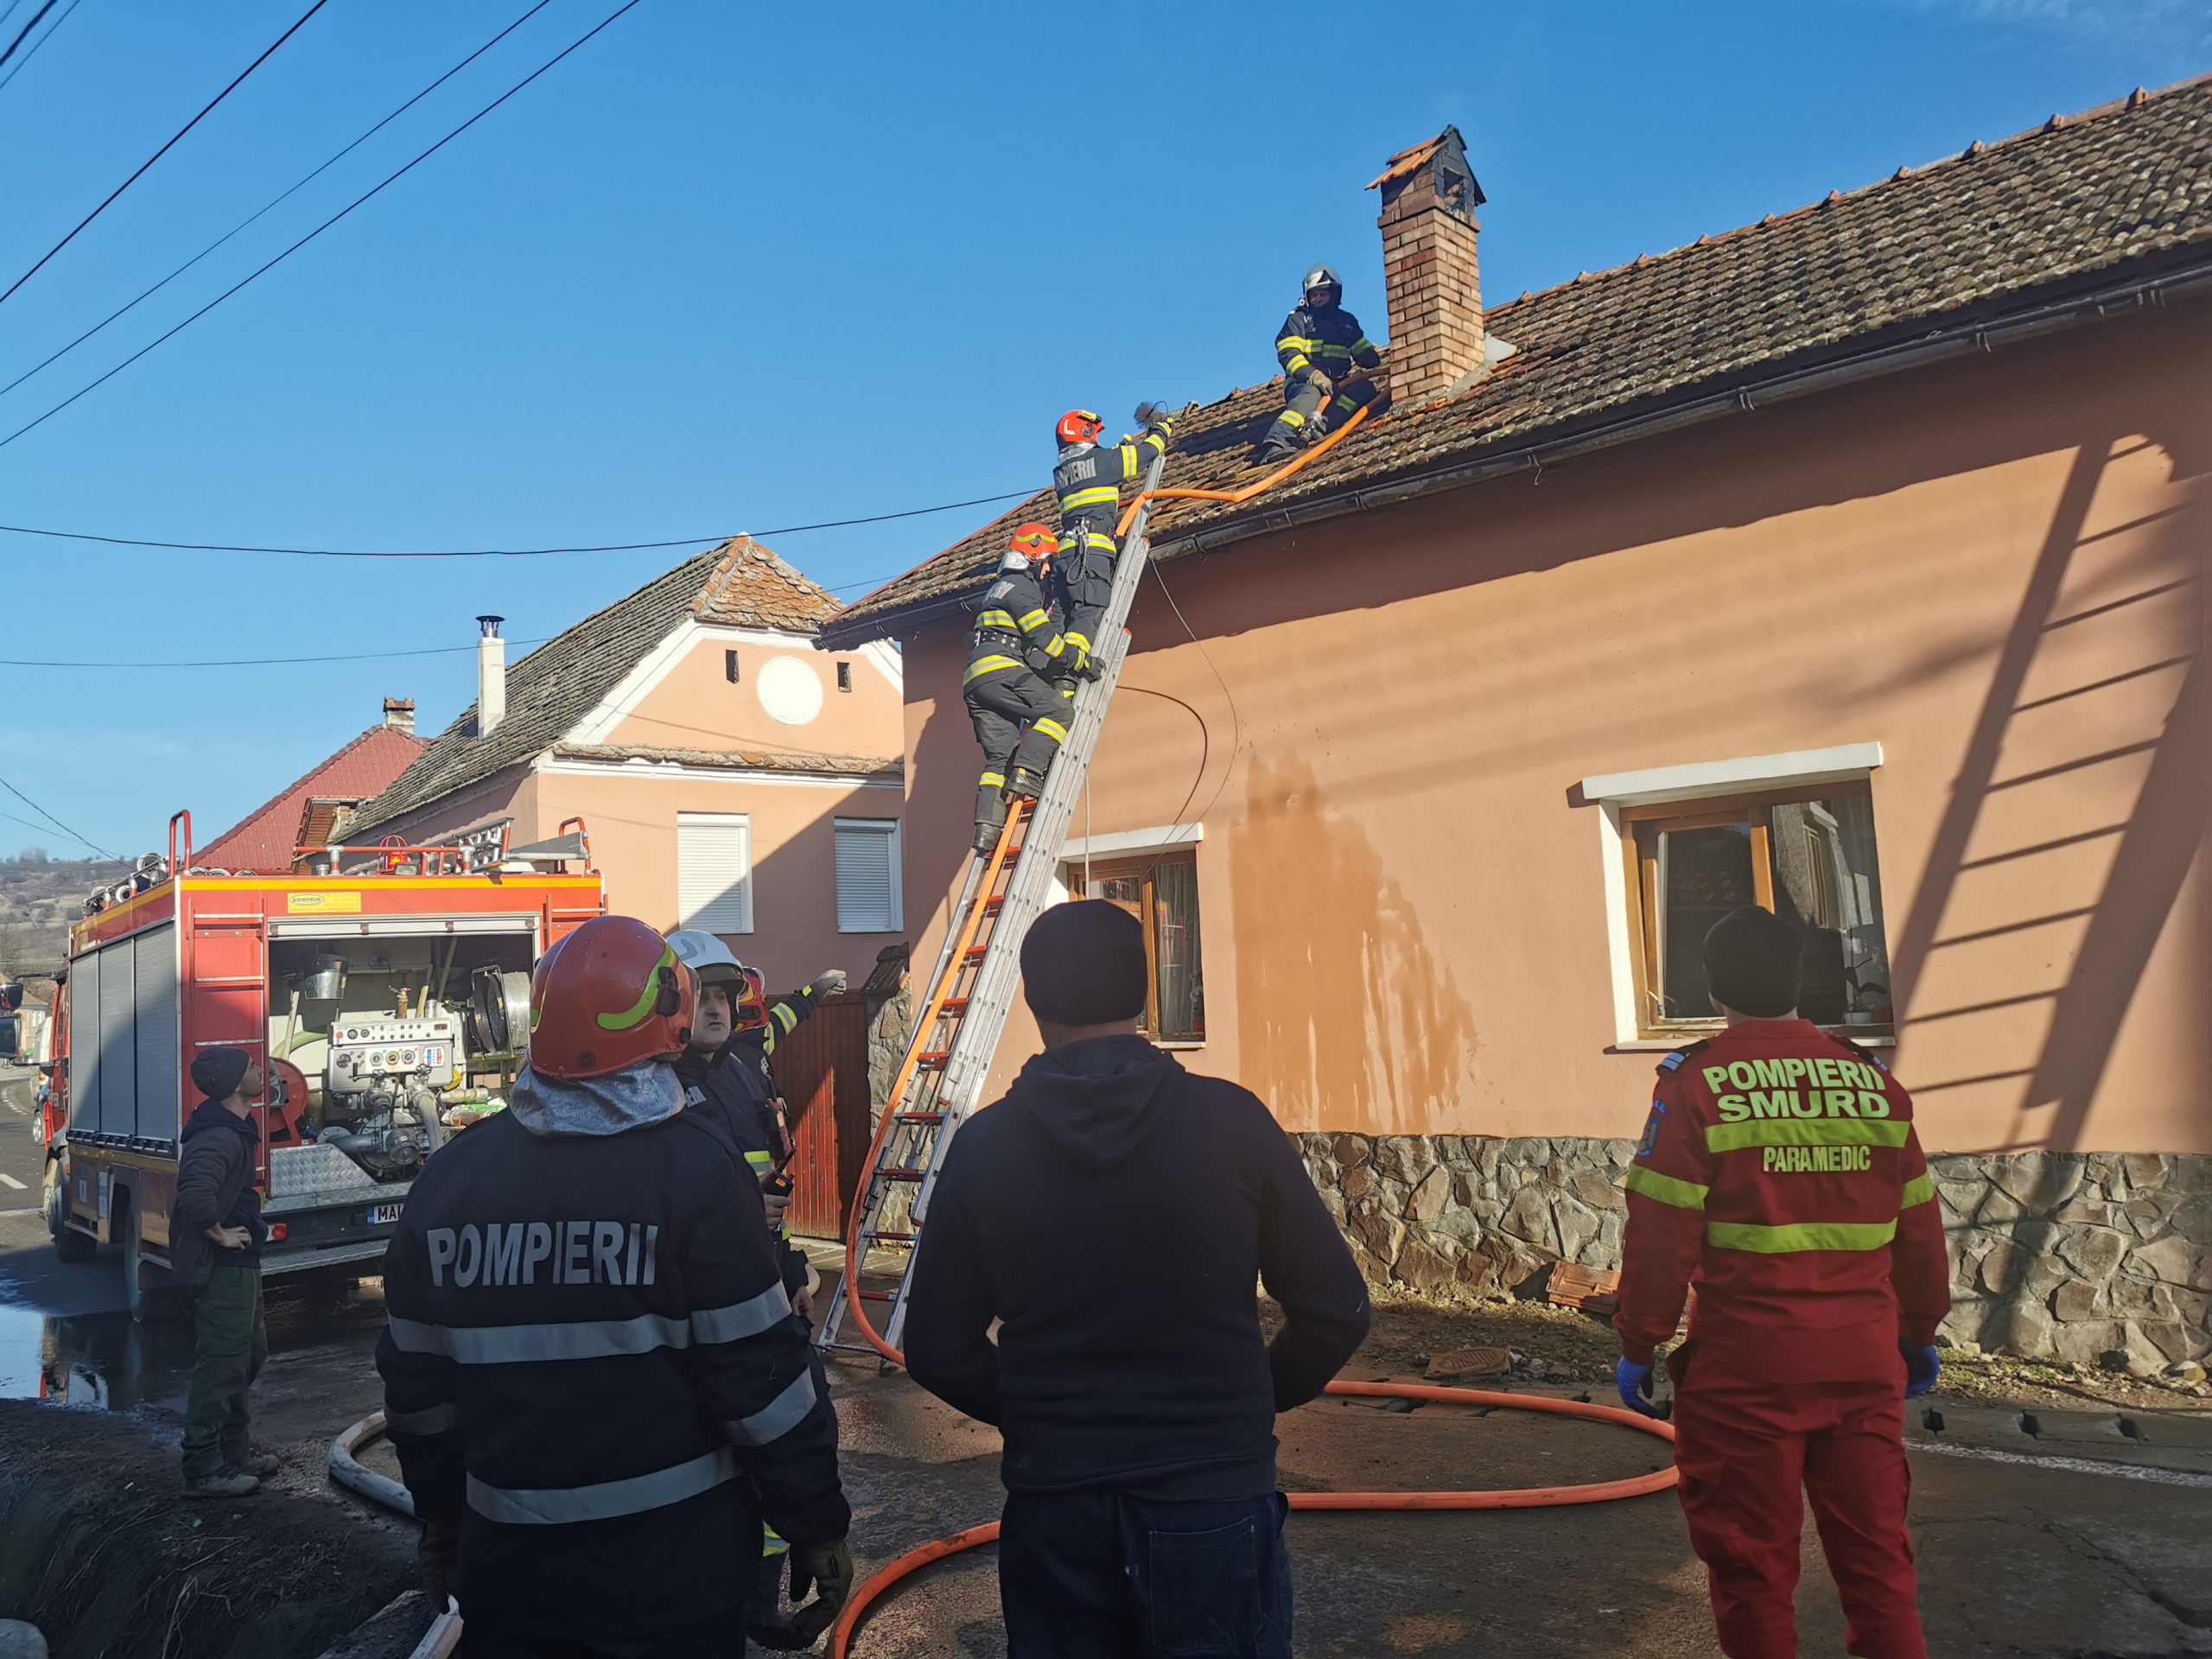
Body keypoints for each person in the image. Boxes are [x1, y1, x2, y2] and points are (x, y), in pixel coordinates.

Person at [902, 900, 1371, 1657]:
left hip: (1057, 1508)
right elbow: (1337, 1309)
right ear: (1146, 991)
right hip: (1212, 1498)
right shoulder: (1233, 1123)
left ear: (1032, 998)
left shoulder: (985, 1147)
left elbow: (934, 1346)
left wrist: (1042, 1416)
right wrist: (1242, 1403)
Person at [375, 916, 852, 1656]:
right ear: (668, 1020)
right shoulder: (696, 1171)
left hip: (511, 1578)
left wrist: (441, 1523)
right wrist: (816, 1525)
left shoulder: (448, 1182)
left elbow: (418, 1396)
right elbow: (764, 1382)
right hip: (674, 1582)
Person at [1613, 904, 1949, 1659]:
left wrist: (1640, 1342)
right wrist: (1918, 1332)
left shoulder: (1697, 1084)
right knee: (1879, 1565)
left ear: (1712, 987)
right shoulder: (1875, 1085)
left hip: (1746, 1371)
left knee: (1752, 1570)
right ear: (1802, 980)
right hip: (1864, 1362)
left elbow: (1661, 1237)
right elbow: (1920, 1233)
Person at [666, 931, 846, 1648]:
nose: (715, 1009)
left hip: (765, 1276)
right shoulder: (655, 1086)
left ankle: (762, 1592)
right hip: (703, 1295)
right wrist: (747, 1212)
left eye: (724, 996)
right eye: (701, 996)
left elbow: (771, 1188)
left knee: (795, 1422)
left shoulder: (745, 1064)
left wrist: (793, 1271)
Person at [170, 1046, 276, 1499]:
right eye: (251, 1067)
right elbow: (195, 1194)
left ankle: (235, 1453)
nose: (261, 1070)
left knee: (248, 1356)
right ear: (234, 1084)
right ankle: (203, 1468)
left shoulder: (234, 1127)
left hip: (241, 1265)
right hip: (223, 1267)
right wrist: (220, 1234)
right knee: (222, 1364)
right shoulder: (218, 1136)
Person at [963, 524, 1075, 851]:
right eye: (1047, 562)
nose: (1048, 570)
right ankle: (1027, 771)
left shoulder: (996, 589)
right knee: (1060, 712)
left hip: (975, 679)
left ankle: (986, 829)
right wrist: (1078, 660)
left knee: (1000, 756)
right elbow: (1043, 637)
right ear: (1033, 556)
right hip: (1002, 670)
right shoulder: (1022, 588)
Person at [1051, 404, 1175, 678]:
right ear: (1085, 432)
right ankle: (1069, 679)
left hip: (1067, 554)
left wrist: (1117, 452)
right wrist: (1162, 429)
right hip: (1091, 553)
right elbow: (1149, 452)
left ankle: (1050, 674)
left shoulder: (1062, 473)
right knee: (1089, 610)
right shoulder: (1105, 461)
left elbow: (1095, 473)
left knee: (1060, 618)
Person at [1254, 264, 1386, 464]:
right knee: (1311, 394)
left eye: (1322, 294)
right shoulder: (1299, 320)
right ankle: (1277, 442)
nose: (1317, 299)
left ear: (1334, 294)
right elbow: (1288, 354)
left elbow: (1366, 355)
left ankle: (1318, 427)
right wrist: (1313, 376)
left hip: (1338, 384)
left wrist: (1367, 352)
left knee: (1364, 389)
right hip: (1303, 382)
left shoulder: (1346, 322)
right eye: (1313, 295)